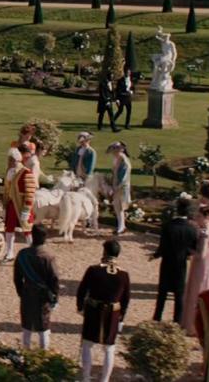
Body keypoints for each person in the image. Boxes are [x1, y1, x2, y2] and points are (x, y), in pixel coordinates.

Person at [76, 239, 132, 382]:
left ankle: (86, 377)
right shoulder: (123, 274)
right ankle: (105, 379)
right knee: (109, 348)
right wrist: (122, 318)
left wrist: (80, 307)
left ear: (105, 252)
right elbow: (126, 298)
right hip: (113, 313)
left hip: (94, 310)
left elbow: (82, 290)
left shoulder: (94, 270)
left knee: (88, 345)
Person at [153, 196, 200, 325]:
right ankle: (177, 321)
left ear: (177, 210)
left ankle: (157, 318)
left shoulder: (168, 226)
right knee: (179, 295)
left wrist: (156, 255)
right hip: (181, 264)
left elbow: (162, 247)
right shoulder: (191, 229)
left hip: (167, 263)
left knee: (162, 293)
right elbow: (194, 248)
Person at [13, 224, 60, 350]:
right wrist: (55, 297)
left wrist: (21, 292)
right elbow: (54, 279)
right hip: (43, 296)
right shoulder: (48, 257)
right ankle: (43, 355)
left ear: (32, 236)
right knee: (43, 327)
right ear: (45, 237)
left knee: (27, 327)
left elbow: (17, 278)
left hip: (27, 293)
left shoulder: (22, 255)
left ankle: (25, 353)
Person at [183, 205, 209, 335]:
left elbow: (202, 255)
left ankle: (193, 326)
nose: (197, 218)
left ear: (207, 218)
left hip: (202, 265)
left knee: (196, 290)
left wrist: (190, 251)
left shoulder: (206, 234)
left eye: (199, 216)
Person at [3, 143, 38, 262]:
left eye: (12, 160)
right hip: (12, 204)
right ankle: (9, 252)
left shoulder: (26, 173)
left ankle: (34, 252)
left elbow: (30, 192)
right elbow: (7, 189)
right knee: (9, 228)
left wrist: (27, 209)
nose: (10, 162)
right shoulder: (10, 172)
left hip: (22, 205)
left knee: (27, 229)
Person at [108, 141, 132, 234]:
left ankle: (121, 227)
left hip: (122, 188)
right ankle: (121, 226)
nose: (114, 153)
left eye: (115, 151)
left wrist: (116, 188)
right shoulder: (117, 160)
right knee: (117, 207)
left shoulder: (125, 163)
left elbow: (124, 179)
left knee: (120, 207)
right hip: (116, 186)